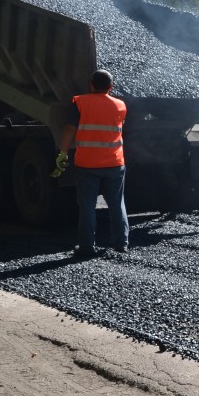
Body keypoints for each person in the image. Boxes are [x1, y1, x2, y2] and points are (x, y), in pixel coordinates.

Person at [54, 69, 129, 258]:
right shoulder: (120, 105)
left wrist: (62, 154)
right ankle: (121, 244)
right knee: (116, 204)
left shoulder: (80, 102)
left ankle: (87, 247)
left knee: (87, 205)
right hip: (114, 162)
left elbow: (69, 129)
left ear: (91, 85)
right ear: (111, 87)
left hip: (87, 164)